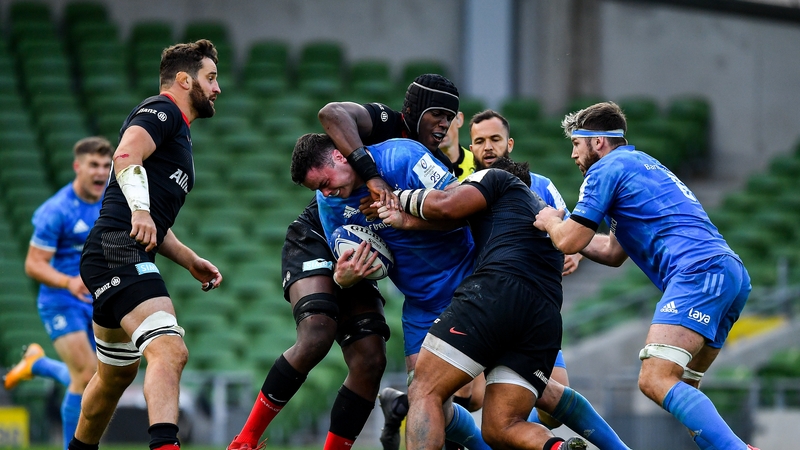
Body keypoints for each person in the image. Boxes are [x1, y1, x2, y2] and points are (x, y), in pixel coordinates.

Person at [227, 73, 464, 450]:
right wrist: (371, 179)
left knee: (371, 360)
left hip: (371, 235)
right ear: (415, 112)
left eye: (450, 119)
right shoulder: (385, 128)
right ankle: (245, 440)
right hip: (319, 235)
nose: (443, 126)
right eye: (437, 115)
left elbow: (458, 209)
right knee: (317, 332)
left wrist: (395, 207)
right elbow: (331, 113)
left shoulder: (419, 158)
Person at [533, 101, 758, 450]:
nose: (573, 156)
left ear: (598, 142)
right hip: (729, 275)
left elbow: (568, 240)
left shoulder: (604, 170)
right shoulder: (641, 165)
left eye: (576, 144)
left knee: (655, 379)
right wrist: (568, 233)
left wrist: (550, 221)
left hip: (697, 272)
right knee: (682, 386)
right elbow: (611, 252)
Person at [69, 39, 222, 450]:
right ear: (184, 80)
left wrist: (190, 260)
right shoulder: (163, 109)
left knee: (116, 375)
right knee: (170, 350)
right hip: (118, 248)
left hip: (112, 250)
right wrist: (138, 211)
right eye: (210, 78)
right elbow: (125, 156)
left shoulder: (181, 137)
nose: (217, 88)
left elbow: (156, 222)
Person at [291, 133, 489, 450]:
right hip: (421, 305)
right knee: (427, 400)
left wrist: (404, 219)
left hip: (471, 282)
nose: (325, 192)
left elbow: (463, 212)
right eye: (318, 189)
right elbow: (346, 260)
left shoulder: (401, 156)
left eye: (325, 182)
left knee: (493, 399)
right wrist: (344, 278)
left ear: (340, 157)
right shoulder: (330, 203)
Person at [376, 158, 588, 450]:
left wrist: (394, 196)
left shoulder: (494, 178)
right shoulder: (539, 212)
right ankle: (557, 448)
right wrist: (406, 222)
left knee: (424, 390)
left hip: (498, 292)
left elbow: (447, 205)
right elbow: (456, 221)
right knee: (502, 426)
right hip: (545, 318)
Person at [3, 137, 113, 450]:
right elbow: (33, 264)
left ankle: (37, 364)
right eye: (93, 165)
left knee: (100, 379)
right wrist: (68, 282)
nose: (101, 172)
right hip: (59, 300)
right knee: (88, 374)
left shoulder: (111, 200)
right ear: (78, 167)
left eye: (106, 166)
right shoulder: (56, 210)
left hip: (96, 300)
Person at [438, 110, 475, 181]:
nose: (442, 125)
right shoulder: (420, 168)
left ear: (459, 119)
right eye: (435, 117)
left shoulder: (477, 163)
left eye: (448, 118)